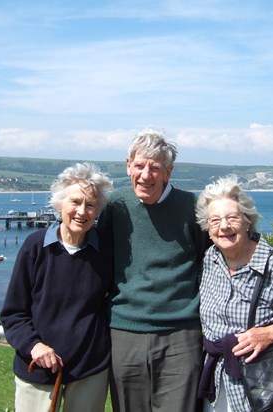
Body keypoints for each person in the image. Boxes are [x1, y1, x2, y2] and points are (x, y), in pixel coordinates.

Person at [97, 128, 210, 412]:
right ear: (128, 166)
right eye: (139, 166)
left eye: (155, 168)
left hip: (180, 334)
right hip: (125, 330)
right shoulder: (115, 206)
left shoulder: (192, 207)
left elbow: (212, 259)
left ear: (168, 172)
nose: (146, 175)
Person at [195, 175, 273, 412]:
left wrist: (271, 333)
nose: (224, 226)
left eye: (232, 217)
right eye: (215, 220)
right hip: (218, 383)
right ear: (208, 228)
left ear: (247, 221)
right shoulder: (211, 259)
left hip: (262, 386)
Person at [0, 162, 113, 412]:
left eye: (91, 205)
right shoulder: (34, 247)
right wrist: (34, 346)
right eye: (75, 202)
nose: (82, 211)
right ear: (60, 205)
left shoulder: (106, 249)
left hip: (90, 370)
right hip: (37, 369)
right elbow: (13, 314)